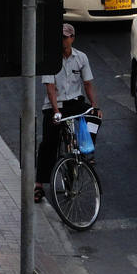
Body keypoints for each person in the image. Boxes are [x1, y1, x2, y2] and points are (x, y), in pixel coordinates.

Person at [35, 23, 101, 202]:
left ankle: (88, 152)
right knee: (48, 143)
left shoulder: (81, 58)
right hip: (55, 105)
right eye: (61, 38)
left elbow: (87, 83)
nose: (63, 41)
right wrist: (56, 111)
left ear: (72, 38)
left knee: (94, 119)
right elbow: (50, 87)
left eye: (66, 37)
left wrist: (94, 105)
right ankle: (39, 184)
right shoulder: (50, 59)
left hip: (74, 103)